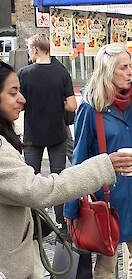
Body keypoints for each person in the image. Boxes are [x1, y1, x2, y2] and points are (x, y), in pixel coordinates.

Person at [0, 61, 132, 279]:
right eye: (13, 93)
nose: (22, 99)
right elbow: (39, 189)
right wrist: (103, 167)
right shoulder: (89, 108)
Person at [64, 43, 132, 279]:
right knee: (107, 264)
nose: (130, 72)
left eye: (131, 66)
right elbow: (79, 157)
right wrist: (72, 209)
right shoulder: (90, 107)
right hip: (107, 196)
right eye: (124, 67)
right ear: (108, 72)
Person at [18, 33, 77, 233]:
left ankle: (36, 221)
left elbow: (20, 103)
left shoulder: (24, 73)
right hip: (57, 134)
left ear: (35, 49)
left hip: (32, 134)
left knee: (31, 180)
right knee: (58, 178)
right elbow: (72, 105)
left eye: (29, 49)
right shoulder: (62, 72)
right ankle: (62, 221)